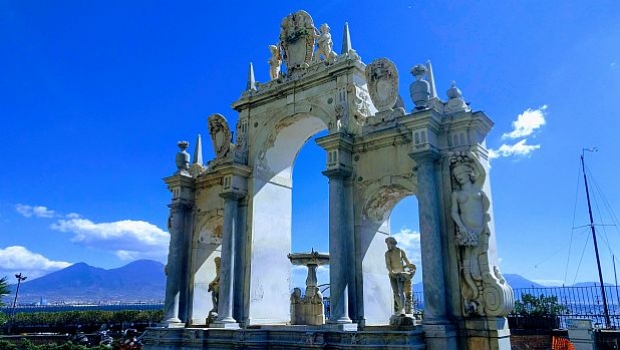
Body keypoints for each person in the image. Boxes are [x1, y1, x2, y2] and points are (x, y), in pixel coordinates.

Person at [384, 237, 416, 315]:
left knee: (401, 292)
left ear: (392, 243)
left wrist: (411, 268)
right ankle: (400, 308)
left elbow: (407, 262)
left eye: (388, 243)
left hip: (400, 274)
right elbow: (388, 265)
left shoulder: (400, 251)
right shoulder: (387, 253)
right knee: (395, 293)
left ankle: (402, 309)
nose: (388, 245)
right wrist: (391, 272)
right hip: (392, 275)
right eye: (387, 244)